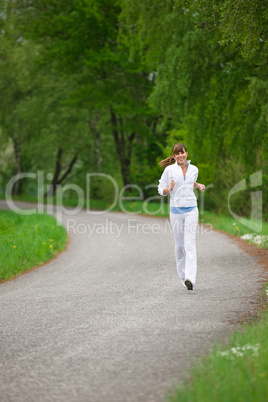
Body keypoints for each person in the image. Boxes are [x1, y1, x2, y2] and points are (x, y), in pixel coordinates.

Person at [158, 143, 205, 290]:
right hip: (176, 212)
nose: (180, 156)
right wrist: (169, 189)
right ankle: (183, 276)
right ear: (174, 156)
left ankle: (191, 278)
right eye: (177, 154)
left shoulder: (194, 169)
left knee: (189, 244)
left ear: (186, 153)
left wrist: (198, 185)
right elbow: (161, 189)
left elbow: (189, 182)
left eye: (182, 153)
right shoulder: (169, 170)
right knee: (179, 246)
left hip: (191, 209)